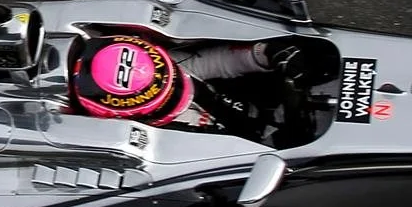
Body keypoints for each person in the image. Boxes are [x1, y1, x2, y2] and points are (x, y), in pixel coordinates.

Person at [69, 34, 303, 128]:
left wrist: (268, 53)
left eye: (173, 82)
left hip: (249, 114)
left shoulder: (160, 71)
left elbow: (219, 61)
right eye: (165, 100)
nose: (179, 90)